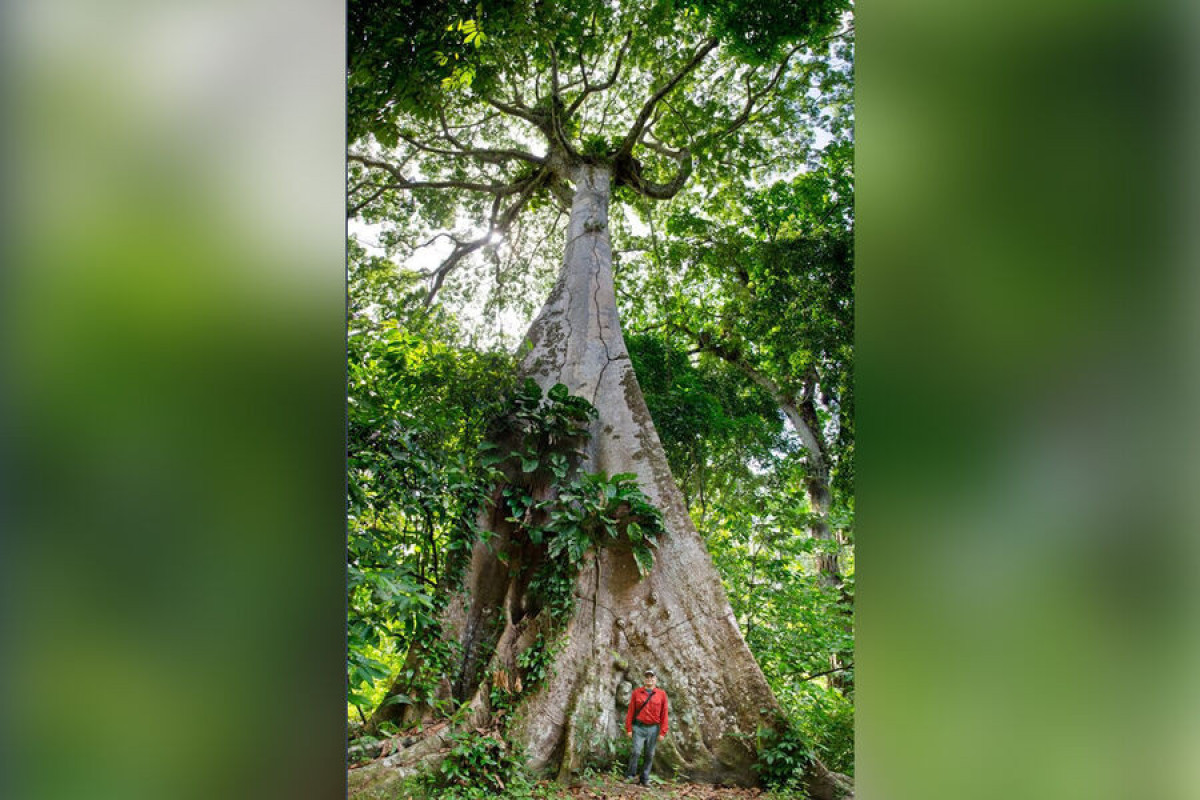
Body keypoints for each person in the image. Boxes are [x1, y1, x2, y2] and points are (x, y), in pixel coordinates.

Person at [624, 668, 668, 786]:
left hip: (653, 729)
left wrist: (663, 732)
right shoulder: (637, 693)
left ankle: (645, 778)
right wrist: (628, 728)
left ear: (655, 679)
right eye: (647, 677)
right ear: (644, 679)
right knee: (636, 752)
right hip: (639, 728)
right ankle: (630, 776)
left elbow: (664, 713)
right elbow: (631, 711)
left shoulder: (661, 694)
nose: (649, 679)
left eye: (651, 677)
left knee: (650, 754)